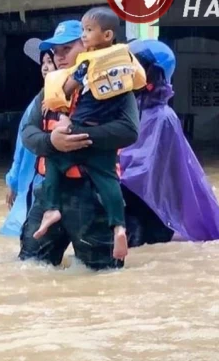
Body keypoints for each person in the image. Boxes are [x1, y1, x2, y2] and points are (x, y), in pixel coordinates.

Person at [18, 18, 140, 271]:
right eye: (56, 52)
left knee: (103, 274)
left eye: (67, 49)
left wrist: (76, 134)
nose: (59, 57)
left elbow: (129, 131)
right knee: (30, 267)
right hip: (49, 195)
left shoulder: (114, 87)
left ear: (86, 47)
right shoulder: (51, 89)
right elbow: (28, 133)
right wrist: (52, 141)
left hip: (92, 194)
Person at [121, 39, 219, 246]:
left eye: (134, 66)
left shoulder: (162, 117)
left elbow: (142, 167)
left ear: (152, 73)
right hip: (128, 209)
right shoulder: (128, 109)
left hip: (148, 214)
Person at [0, 42, 56, 237]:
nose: (46, 67)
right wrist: (12, 183)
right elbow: (21, 147)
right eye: (43, 62)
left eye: (50, 61)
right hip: (32, 183)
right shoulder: (37, 103)